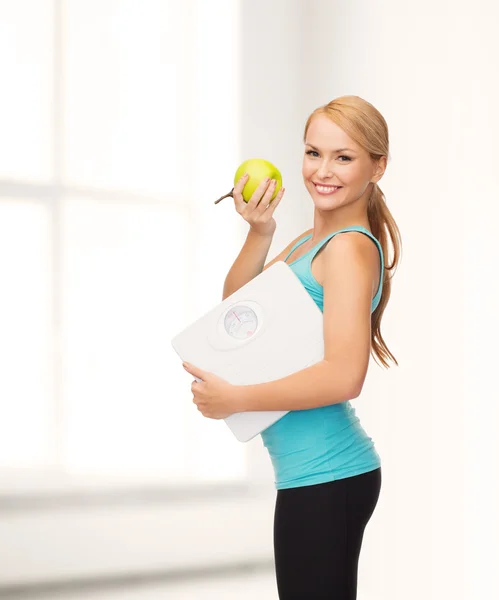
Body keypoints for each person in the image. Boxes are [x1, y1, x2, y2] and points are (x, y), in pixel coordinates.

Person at [223, 95, 402, 599]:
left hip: (328, 475)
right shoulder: (309, 242)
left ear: (377, 166)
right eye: (312, 152)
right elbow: (238, 312)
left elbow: (345, 376)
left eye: (343, 157)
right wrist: (261, 232)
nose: (323, 170)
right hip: (311, 476)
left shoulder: (348, 247)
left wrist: (236, 399)